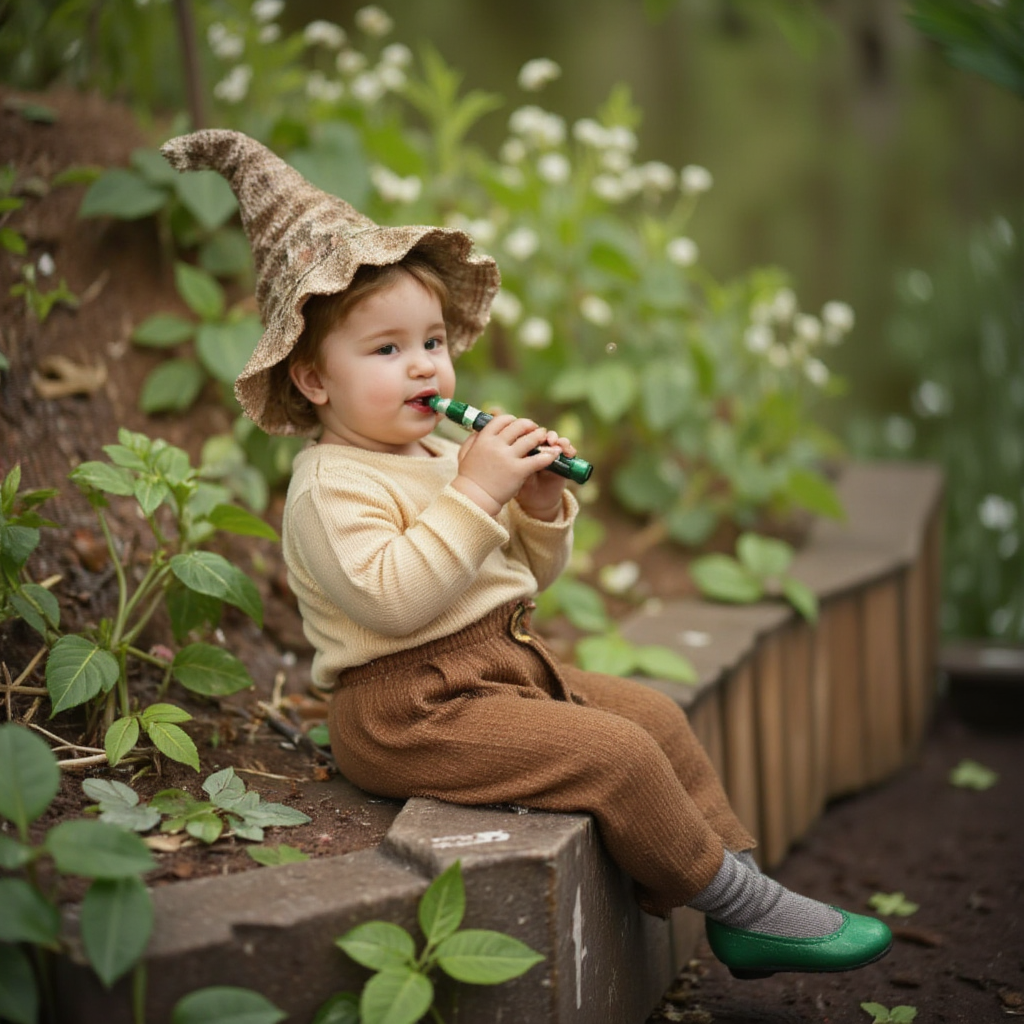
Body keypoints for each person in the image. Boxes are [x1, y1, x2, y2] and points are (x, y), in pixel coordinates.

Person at [162, 129, 892, 980]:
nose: (422, 367)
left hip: (497, 670)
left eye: (432, 342)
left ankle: (744, 908)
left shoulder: (439, 455)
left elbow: (520, 581)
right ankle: (749, 907)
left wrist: (538, 506)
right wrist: (476, 495)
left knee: (653, 719)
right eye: (386, 350)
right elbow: (397, 601)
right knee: (612, 758)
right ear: (314, 380)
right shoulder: (332, 488)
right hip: (406, 710)